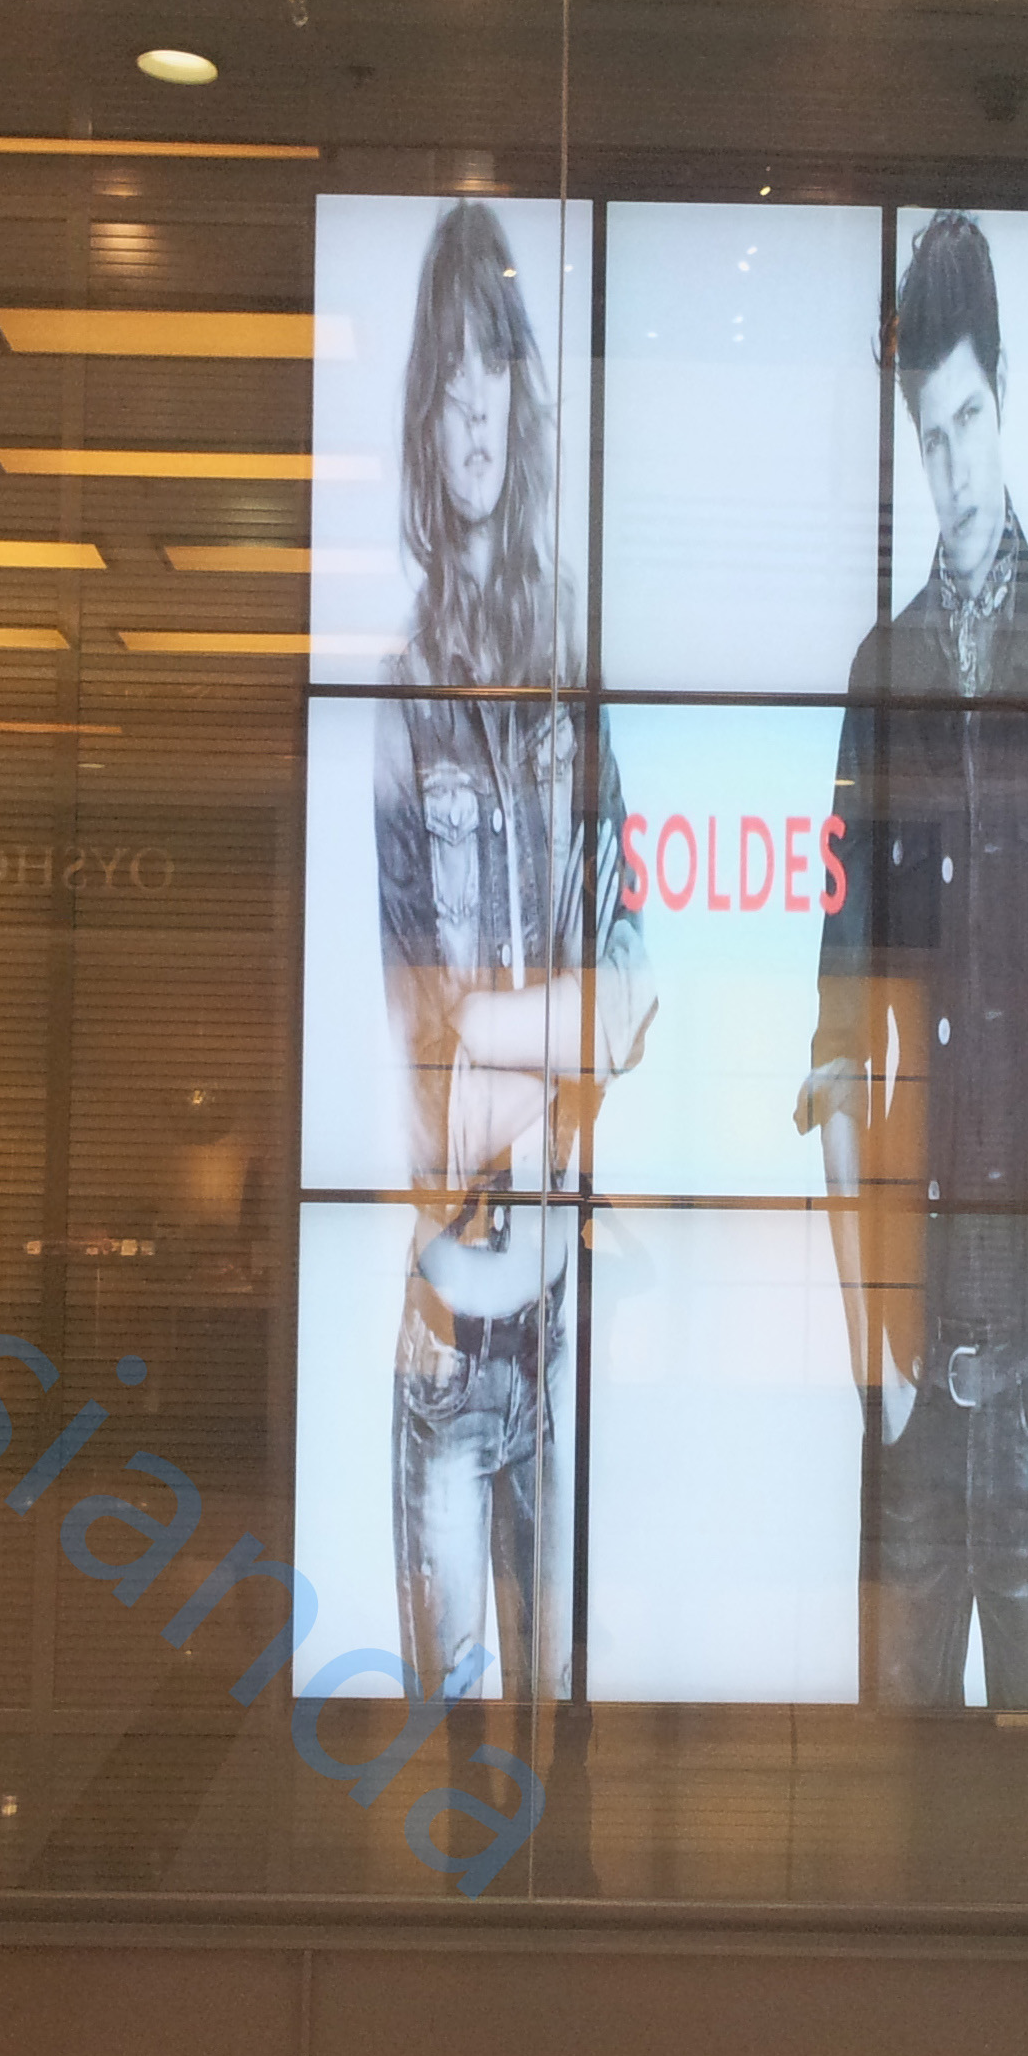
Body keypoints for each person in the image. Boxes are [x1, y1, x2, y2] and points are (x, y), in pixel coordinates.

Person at [799, 210, 1028, 1710]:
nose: (952, 466)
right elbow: (833, 1039)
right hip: (914, 1386)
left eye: (970, 419)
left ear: (1006, 396)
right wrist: (872, 1363)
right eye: (927, 437)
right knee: (895, 1784)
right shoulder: (882, 679)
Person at [371, 199, 653, 1710]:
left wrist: (502, 1028)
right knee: (442, 1776)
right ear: (425, 413)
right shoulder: (398, 697)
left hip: (557, 1323)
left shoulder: (573, 670)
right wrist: (543, 1029)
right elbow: (426, 1057)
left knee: (568, 1757)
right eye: (450, 376)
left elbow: (635, 994)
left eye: (496, 370)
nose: (474, 408)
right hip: (443, 1329)